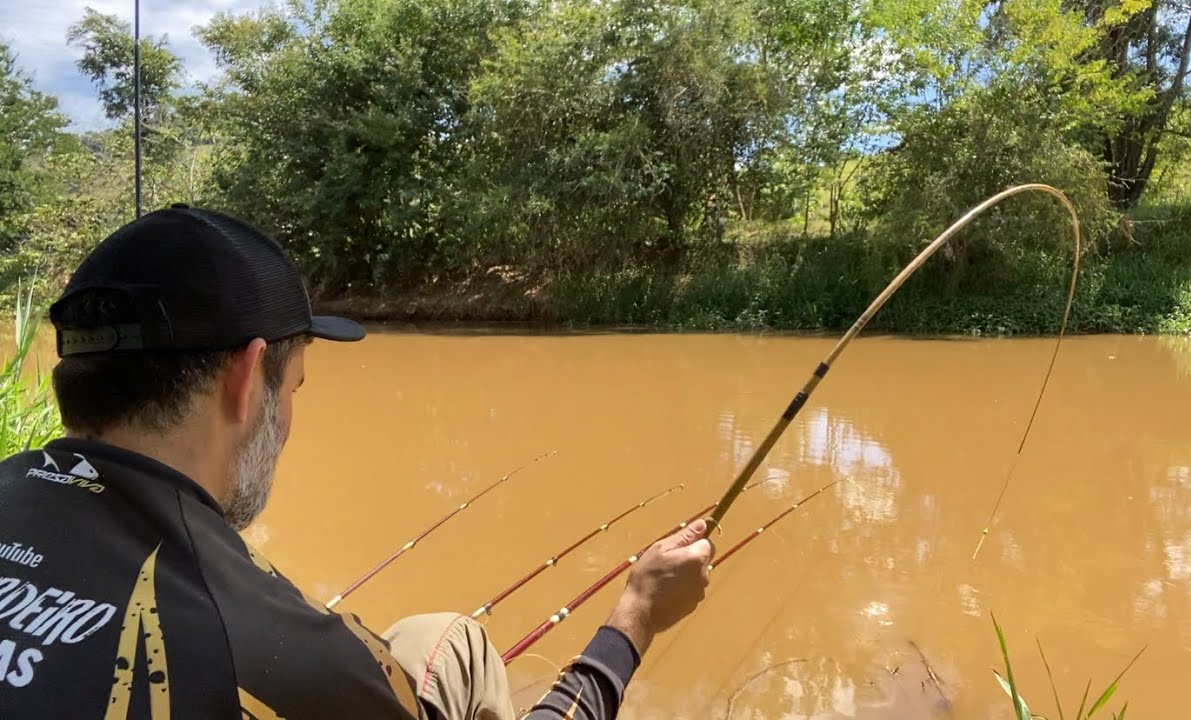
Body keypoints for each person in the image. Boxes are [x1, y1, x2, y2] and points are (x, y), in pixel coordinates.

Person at [0, 205, 715, 719]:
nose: (290, 418)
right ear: (245, 378)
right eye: (295, 387)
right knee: (458, 643)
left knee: (437, 637)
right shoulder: (287, 657)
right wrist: (635, 617)